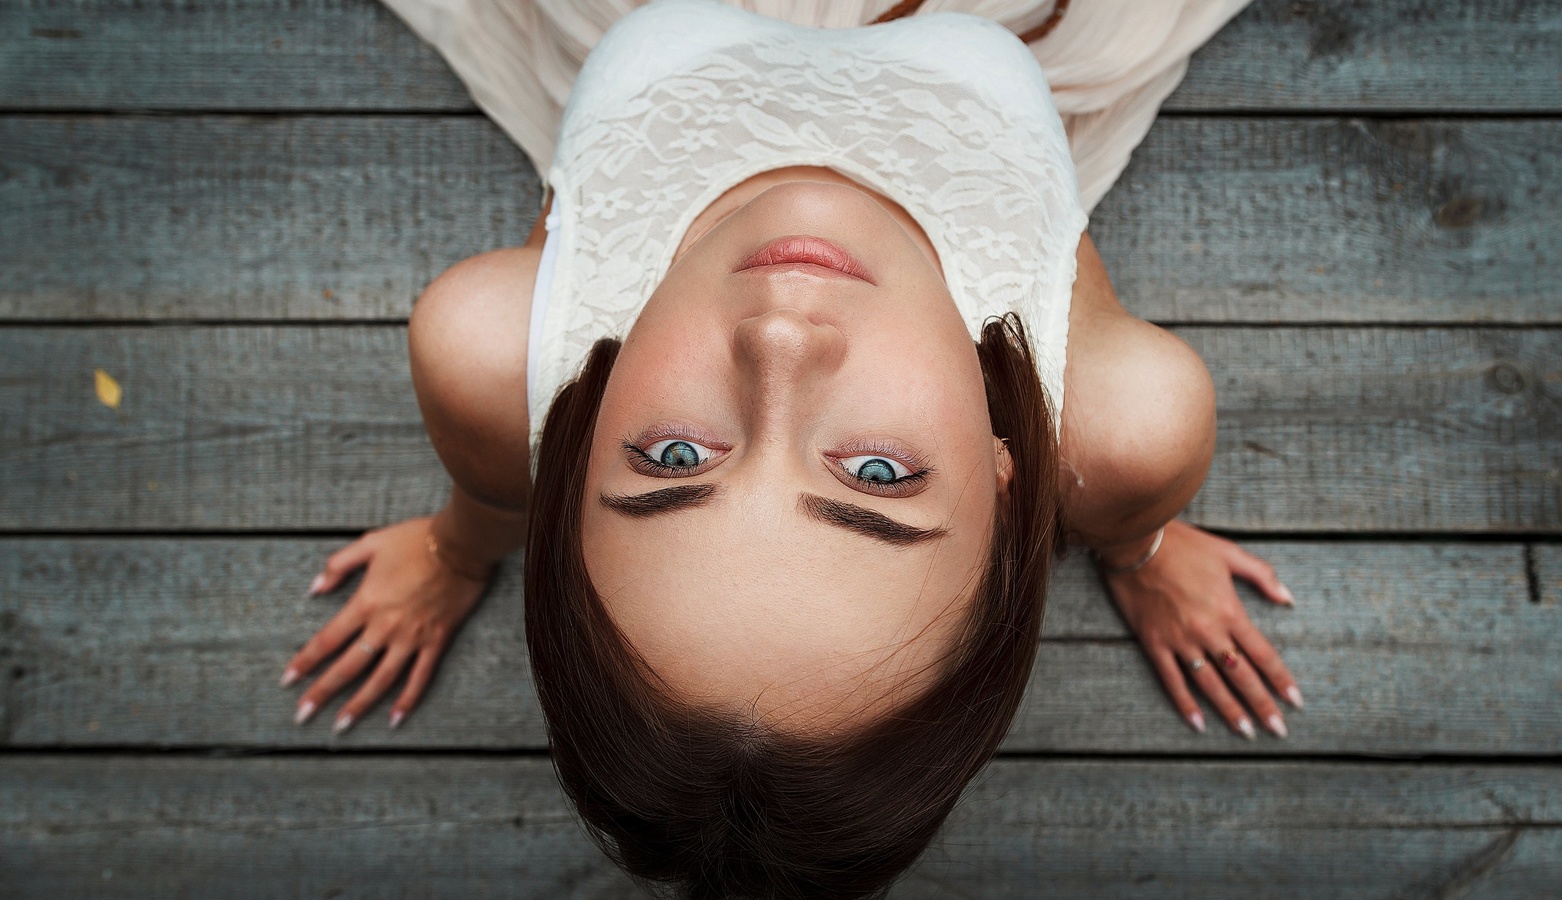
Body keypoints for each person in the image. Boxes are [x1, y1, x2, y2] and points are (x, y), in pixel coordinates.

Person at [278, 0, 1303, 895]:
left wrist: (459, 549)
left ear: (575, 438)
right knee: (1134, 438)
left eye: (675, 459)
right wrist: (1139, 545)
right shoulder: (1116, 419)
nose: (778, 339)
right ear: (1008, 480)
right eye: (877, 475)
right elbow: (1032, 221)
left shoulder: (499, 353)